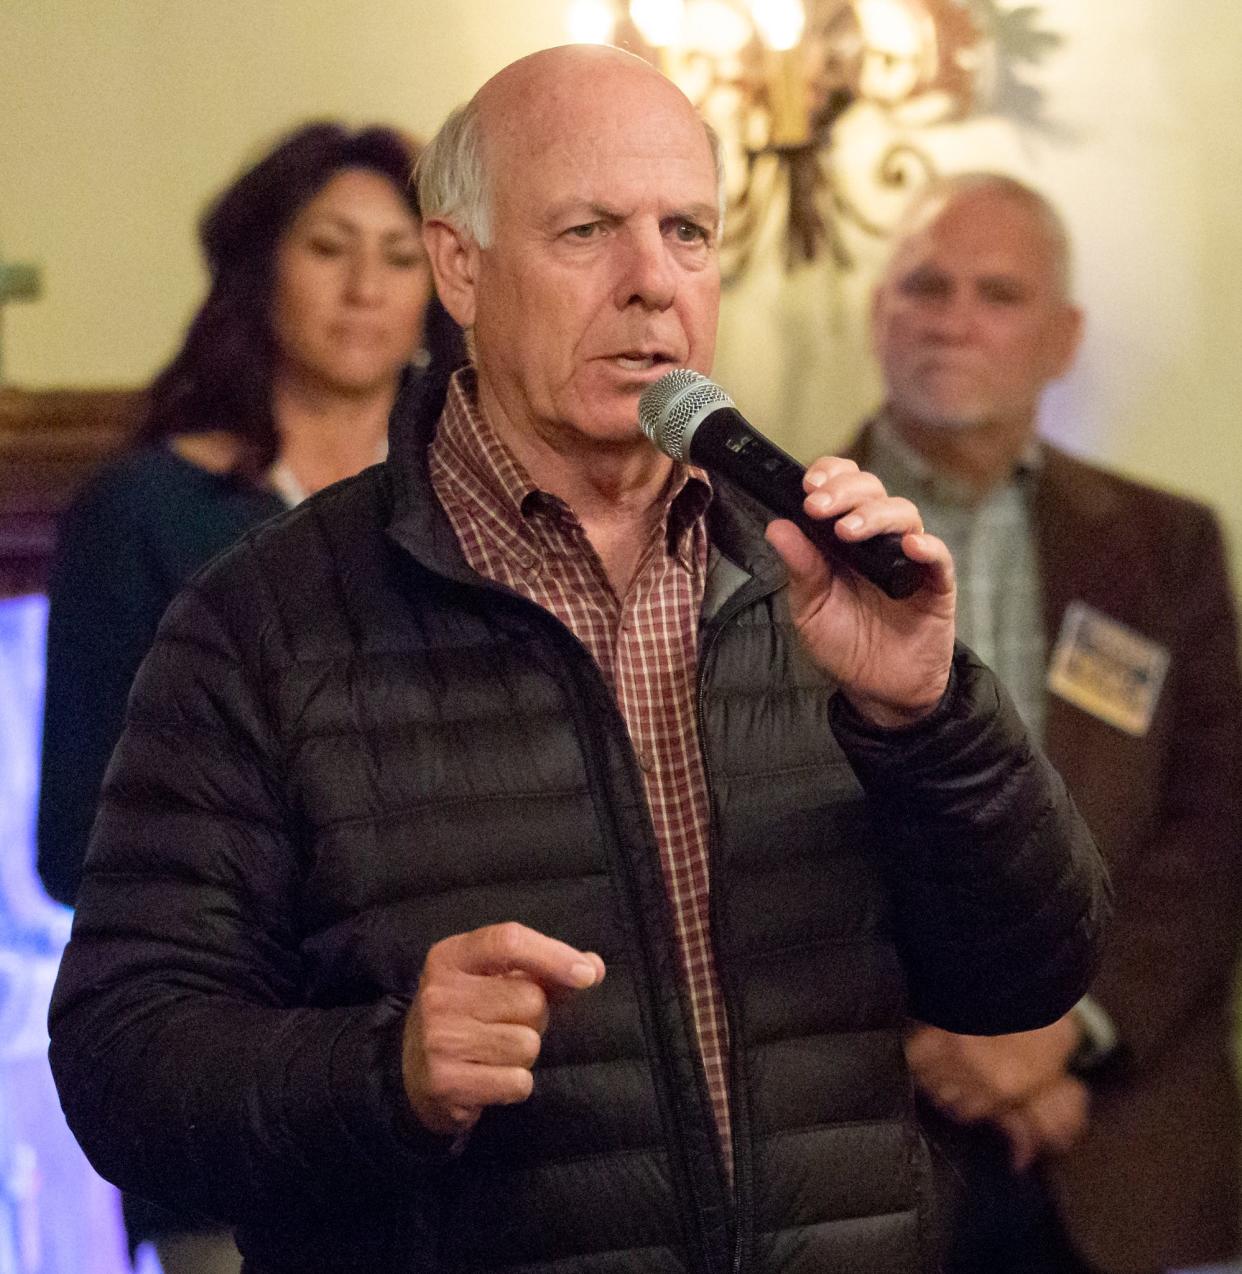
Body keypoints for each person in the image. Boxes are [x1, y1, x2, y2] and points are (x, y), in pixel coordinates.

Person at [47, 49, 1108, 1274]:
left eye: (689, 233)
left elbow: (1026, 972)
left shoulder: (813, 569)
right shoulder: (264, 624)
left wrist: (930, 718)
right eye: (589, 229)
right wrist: (383, 1067)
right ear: (461, 269)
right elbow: (124, 1061)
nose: (653, 282)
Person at [37, 120, 462, 1273]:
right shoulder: (143, 512)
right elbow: (76, 843)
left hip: (461, 1095)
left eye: (399, 253)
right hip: (232, 1090)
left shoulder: (469, 500)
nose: (367, 286)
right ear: (262, 265)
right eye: (331, 247)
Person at [851, 172, 1242, 1274]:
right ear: (877, 313)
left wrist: (1063, 1037)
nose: (952, 315)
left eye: (997, 292)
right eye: (925, 283)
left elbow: (1213, 829)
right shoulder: (760, 537)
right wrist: (938, 1048)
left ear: (1063, 338)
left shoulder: (1164, 549)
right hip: (856, 1140)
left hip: (1118, 1138)